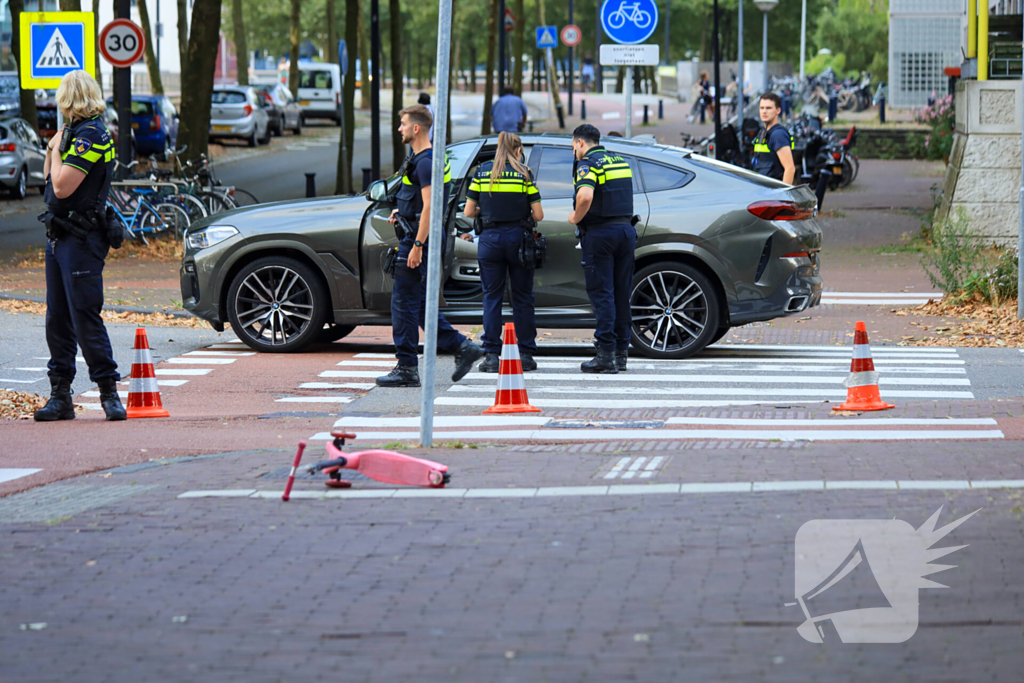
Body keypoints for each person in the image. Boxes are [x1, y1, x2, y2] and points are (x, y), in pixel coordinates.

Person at [34, 70, 126, 422]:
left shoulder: (91, 135)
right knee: (57, 317)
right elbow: (47, 176)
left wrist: (55, 148)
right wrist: (54, 148)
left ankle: (108, 392)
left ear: (69, 99)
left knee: (84, 316)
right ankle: (61, 395)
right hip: (59, 236)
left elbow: (60, 187)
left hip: (82, 239)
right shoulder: (72, 133)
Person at [376, 104, 484, 388]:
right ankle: (463, 347)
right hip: (419, 234)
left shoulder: (425, 162)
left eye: (402, 123)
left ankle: (407, 368)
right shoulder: (431, 158)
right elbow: (421, 202)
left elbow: (430, 207)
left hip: (417, 241)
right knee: (421, 304)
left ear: (416, 128)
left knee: (403, 305)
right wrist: (402, 211)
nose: (399, 128)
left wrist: (417, 245)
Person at [463, 132, 543, 373]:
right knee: (522, 298)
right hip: (518, 240)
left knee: (491, 298)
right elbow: (538, 215)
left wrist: (484, 212)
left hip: (490, 240)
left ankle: (491, 356)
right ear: (518, 150)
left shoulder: (482, 172)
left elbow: (468, 212)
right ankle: (526, 354)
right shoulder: (524, 174)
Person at [566, 124, 635, 374]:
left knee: (602, 294)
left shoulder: (588, 164)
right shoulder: (620, 161)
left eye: (573, 146)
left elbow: (584, 196)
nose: (573, 151)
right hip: (625, 232)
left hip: (600, 234)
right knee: (620, 294)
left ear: (580, 142)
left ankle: (605, 355)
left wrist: (575, 217)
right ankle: (620, 354)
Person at [752, 92, 796, 184]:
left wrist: (783, 197)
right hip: (762, 191)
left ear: (778, 111)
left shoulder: (778, 135)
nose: (764, 111)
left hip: (773, 194)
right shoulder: (762, 133)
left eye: (769, 108)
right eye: (762, 108)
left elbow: (790, 168)